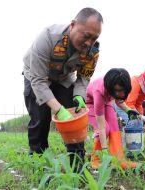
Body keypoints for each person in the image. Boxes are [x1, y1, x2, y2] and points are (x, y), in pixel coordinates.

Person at [22, 7, 103, 172]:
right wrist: (58, 109)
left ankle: (77, 164)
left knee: (75, 117)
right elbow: (39, 80)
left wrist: (79, 96)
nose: (89, 43)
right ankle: (39, 163)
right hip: (36, 76)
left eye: (94, 39)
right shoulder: (48, 38)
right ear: (73, 25)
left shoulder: (92, 51)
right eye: (86, 36)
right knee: (40, 119)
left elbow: (83, 77)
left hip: (63, 78)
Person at [86, 68, 139, 169]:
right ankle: (96, 160)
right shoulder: (99, 91)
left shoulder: (117, 87)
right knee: (105, 128)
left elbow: (119, 99)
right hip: (91, 104)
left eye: (122, 91)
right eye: (117, 91)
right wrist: (105, 149)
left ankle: (119, 161)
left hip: (107, 102)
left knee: (114, 128)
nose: (120, 94)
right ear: (111, 88)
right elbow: (101, 127)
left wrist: (128, 110)